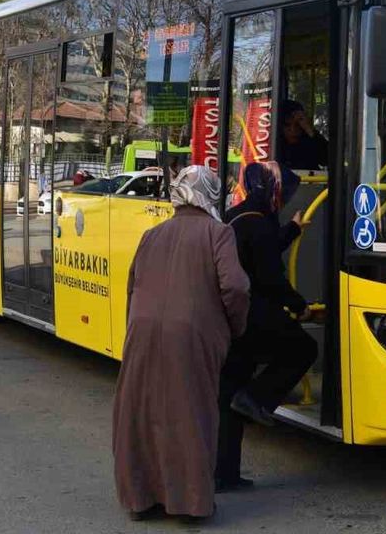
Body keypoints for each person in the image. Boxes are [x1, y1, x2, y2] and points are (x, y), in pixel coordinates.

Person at [112, 166, 250, 522]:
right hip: (192, 334)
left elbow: (133, 284)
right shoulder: (218, 233)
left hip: (142, 331)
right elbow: (235, 287)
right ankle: (189, 504)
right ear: (210, 194)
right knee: (190, 413)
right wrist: (233, 327)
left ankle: (141, 501)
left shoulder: (152, 234)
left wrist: (134, 329)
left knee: (141, 412)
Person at [216, 161, 318, 492]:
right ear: (271, 190)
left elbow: (264, 250)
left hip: (227, 318)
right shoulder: (259, 225)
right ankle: (258, 398)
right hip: (254, 315)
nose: (284, 199)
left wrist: (292, 229)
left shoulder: (235, 217)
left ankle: (224, 474)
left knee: (229, 395)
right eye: (282, 192)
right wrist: (300, 306)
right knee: (304, 348)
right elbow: (270, 278)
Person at [277, 100, 329, 171]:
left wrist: (310, 131)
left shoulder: (310, 141)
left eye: (298, 124)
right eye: (287, 125)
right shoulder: (273, 145)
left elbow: (329, 160)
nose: (293, 130)